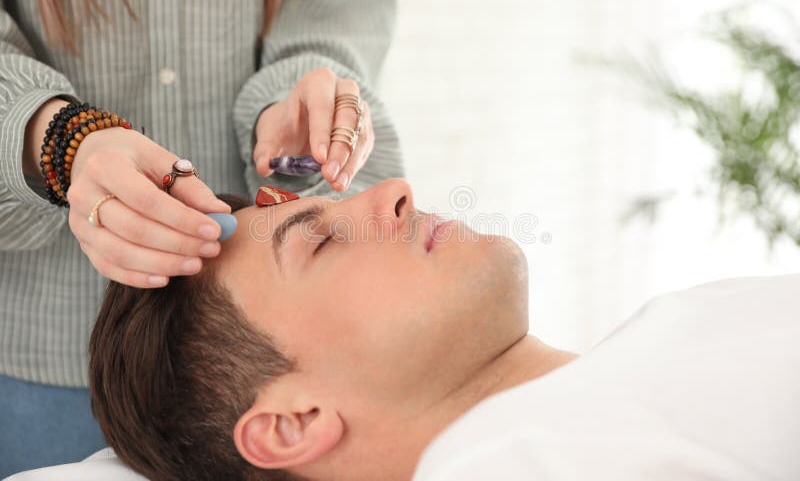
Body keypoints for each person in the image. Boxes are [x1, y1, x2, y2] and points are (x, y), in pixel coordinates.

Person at [88, 179, 800, 481]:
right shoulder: (525, 464)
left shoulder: (660, 348)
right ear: (293, 422)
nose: (393, 189)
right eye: (322, 241)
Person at [0, 0, 402, 476]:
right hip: (43, 358)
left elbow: (336, 7)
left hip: (260, 378)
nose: (399, 198)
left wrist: (300, 119)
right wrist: (63, 142)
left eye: (312, 240)